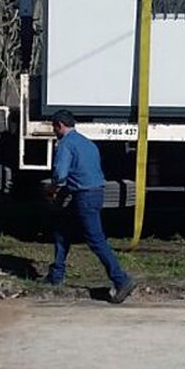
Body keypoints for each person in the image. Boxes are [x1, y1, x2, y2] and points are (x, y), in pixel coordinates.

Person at [45, 110, 136, 303]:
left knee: (95, 240)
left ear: (60, 125)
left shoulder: (65, 145)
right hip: (95, 193)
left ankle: (121, 280)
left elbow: (61, 174)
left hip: (83, 196)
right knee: (62, 230)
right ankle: (56, 275)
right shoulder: (88, 143)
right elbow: (85, 171)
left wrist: (51, 189)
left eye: (54, 127)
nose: (54, 131)